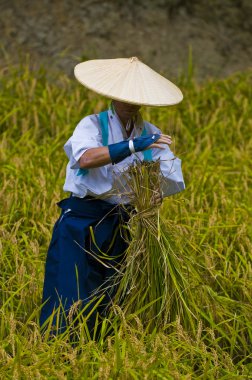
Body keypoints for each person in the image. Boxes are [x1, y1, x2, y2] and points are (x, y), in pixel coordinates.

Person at [39, 57, 185, 337]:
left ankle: (98, 351)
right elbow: (85, 159)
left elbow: (166, 174)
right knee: (70, 290)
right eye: (125, 96)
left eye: (136, 97)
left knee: (110, 293)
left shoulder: (151, 133)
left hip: (123, 222)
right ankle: (57, 352)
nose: (131, 102)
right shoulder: (92, 125)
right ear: (113, 95)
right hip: (83, 219)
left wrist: (154, 193)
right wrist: (131, 146)